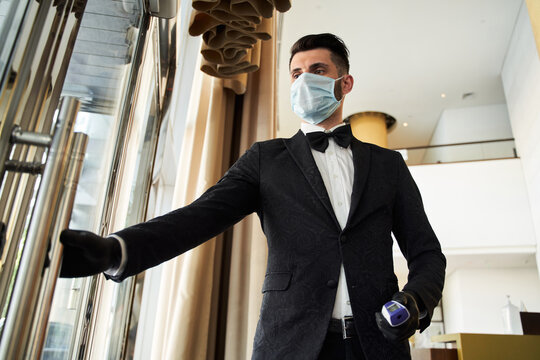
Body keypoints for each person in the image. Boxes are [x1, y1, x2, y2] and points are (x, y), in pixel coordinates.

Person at [60, 33, 446, 360]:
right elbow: (200, 216)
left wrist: (415, 300)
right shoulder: (266, 158)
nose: (303, 81)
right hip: (289, 343)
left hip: (378, 344)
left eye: (317, 71)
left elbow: (427, 253)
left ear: (345, 84)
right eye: (296, 73)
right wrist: (117, 250)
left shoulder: (389, 165)